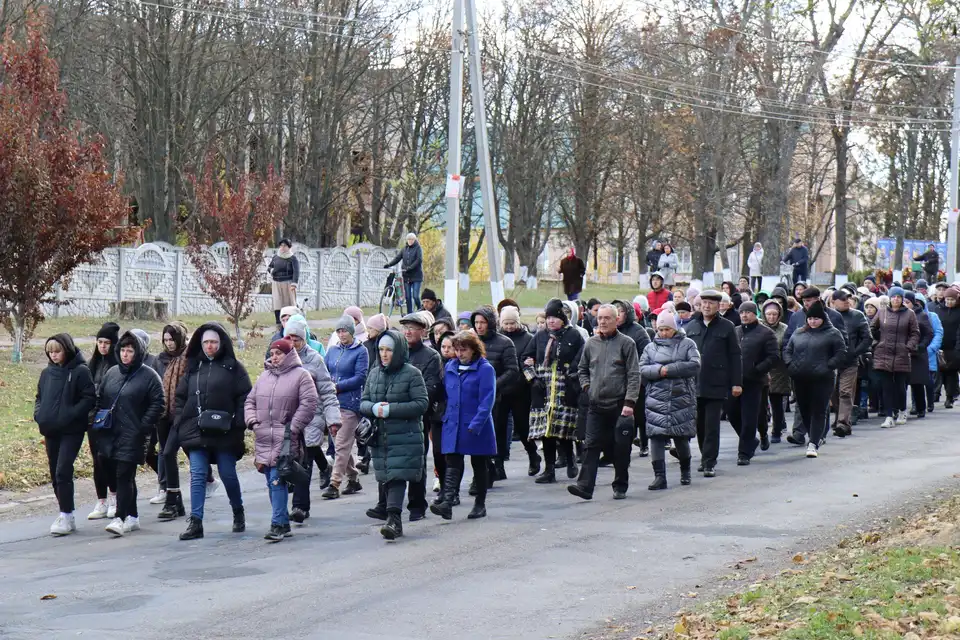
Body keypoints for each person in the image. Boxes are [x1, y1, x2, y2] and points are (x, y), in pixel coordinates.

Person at [174, 323, 253, 540]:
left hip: (225, 431)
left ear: (221, 343)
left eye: (214, 342)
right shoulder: (193, 368)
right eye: (206, 342)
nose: (210, 346)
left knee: (228, 474)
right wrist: (181, 421)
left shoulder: (234, 368)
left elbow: (245, 397)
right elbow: (180, 397)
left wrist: (238, 422)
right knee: (198, 474)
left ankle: (238, 512)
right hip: (196, 431)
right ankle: (196, 522)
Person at [245, 338, 318, 542]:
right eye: (272, 353)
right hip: (263, 437)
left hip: (285, 439)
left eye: (278, 353)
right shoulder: (264, 376)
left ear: (288, 354)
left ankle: (277, 524)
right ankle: (283, 521)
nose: (274, 357)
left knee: (277, 479)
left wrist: (293, 427)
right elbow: (250, 400)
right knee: (271, 481)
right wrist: (252, 422)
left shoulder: (301, 376)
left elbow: (309, 403)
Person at [360, 330, 429, 540]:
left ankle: (393, 519)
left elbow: (421, 404)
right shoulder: (374, 373)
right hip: (381, 436)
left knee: (397, 477)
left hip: (405, 435)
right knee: (387, 477)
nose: (384, 354)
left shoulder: (412, 374)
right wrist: (373, 408)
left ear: (398, 351)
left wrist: (391, 409)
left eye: (388, 350)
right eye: (381, 349)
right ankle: (391, 516)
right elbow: (363, 402)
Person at [568, 304, 641, 501]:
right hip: (595, 405)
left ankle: (620, 485)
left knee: (620, 448)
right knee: (591, 445)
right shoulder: (591, 344)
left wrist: (630, 402)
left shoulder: (627, 344)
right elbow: (582, 369)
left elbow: (634, 375)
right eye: (600, 318)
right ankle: (584, 486)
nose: (602, 321)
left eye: (607, 318)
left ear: (617, 320)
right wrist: (586, 387)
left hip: (619, 405)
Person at [96, 331, 165, 536]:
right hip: (110, 432)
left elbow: (158, 403)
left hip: (134, 434)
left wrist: (143, 426)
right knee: (111, 472)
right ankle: (132, 516)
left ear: (138, 352)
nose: (126, 355)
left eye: (130, 351)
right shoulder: (112, 373)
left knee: (124, 474)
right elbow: (102, 397)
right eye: (123, 350)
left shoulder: (149, 375)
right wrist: (96, 419)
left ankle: (120, 517)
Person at [431, 330, 496, 520]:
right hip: (453, 423)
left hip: (475, 424)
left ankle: (480, 504)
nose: (459, 354)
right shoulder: (451, 367)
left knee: (479, 464)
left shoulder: (485, 369)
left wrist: (477, 423)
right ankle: (448, 501)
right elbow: (445, 395)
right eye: (457, 349)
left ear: (474, 349)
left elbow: (487, 400)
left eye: (463, 350)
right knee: (452, 461)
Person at [35, 334, 96, 536]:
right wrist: (39, 415)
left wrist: (71, 414)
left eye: (57, 351)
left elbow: (89, 398)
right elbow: (39, 397)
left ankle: (66, 514)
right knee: (54, 472)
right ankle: (65, 512)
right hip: (51, 429)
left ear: (67, 350)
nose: (53, 355)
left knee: (63, 469)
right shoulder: (46, 373)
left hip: (72, 430)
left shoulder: (80, 371)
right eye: (50, 352)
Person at [285, 317, 341, 523]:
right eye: (289, 338)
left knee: (304, 462)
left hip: (311, 416)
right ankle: (324, 466)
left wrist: (333, 419)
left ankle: (300, 506)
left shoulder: (315, 359)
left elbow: (327, 390)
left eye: (296, 338)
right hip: (288, 418)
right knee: (290, 461)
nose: (292, 343)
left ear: (304, 338)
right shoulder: (280, 356)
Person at [683, 290, 742, 477]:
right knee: (699, 425)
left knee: (712, 424)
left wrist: (736, 383)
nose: (707, 306)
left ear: (718, 305)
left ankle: (709, 461)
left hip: (716, 382)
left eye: (711, 303)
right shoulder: (691, 326)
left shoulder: (727, 327)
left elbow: (735, 356)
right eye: (704, 302)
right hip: (694, 383)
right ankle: (704, 456)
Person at [639, 312, 700, 489]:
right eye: (660, 329)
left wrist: (670, 370)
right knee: (656, 437)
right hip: (656, 398)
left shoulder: (688, 344)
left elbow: (695, 365)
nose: (663, 333)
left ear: (674, 328)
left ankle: (685, 471)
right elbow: (642, 368)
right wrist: (659, 371)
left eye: (667, 329)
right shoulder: (650, 347)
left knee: (680, 436)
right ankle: (659, 476)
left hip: (680, 398)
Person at [528, 299, 585, 483]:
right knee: (546, 432)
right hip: (543, 389)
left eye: (555, 318)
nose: (551, 321)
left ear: (563, 318)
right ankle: (549, 469)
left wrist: (572, 375)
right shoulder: (539, 336)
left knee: (564, 431)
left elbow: (582, 358)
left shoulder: (574, 336)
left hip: (564, 387)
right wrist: (532, 378)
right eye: (548, 318)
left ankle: (570, 460)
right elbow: (526, 357)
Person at [393, 312, 442, 522]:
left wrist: (405, 404)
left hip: (419, 419)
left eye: (413, 327)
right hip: (394, 419)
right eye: (405, 327)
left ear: (423, 331)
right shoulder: (395, 354)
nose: (408, 331)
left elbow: (431, 390)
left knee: (416, 463)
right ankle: (388, 504)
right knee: (393, 461)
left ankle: (417, 505)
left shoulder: (431, 356)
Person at [783, 301, 846, 457]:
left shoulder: (833, 333)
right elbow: (787, 350)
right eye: (810, 319)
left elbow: (841, 352)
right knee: (804, 410)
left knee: (818, 410)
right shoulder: (799, 333)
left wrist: (828, 365)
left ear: (823, 319)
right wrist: (790, 365)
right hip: (800, 377)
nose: (812, 321)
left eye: (816, 319)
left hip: (822, 379)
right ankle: (814, 436)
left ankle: (813, 443)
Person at [323, 315, 369, 499]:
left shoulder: (361, 351)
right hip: (331, 403)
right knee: (339, 444)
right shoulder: (332, 351)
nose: (342, 334)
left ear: (352, 331)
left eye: (345, 331)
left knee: (341, 444)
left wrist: (339, 386)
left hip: (350, 403)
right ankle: (353, 478)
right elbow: (325, 371)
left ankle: (334, 484)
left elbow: (360, 377)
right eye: (339, 331)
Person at [471, 307, 519, 484]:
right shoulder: (472, 342)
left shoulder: (504, 343)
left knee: (494, 434)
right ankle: (485, 472)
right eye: (476, 323)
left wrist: (492, 384)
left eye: (482, 322)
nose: (479, 326)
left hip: (497, 397)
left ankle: (493, 468)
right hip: (474, 396)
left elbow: (512, 371)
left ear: (490, 323)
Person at [727, 302, 778, 464]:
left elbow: (773, 356)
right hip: (734, 380)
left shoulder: (766, 333)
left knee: (750, 417)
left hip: (755, 381)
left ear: (755, 314)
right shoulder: (735, 332)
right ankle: (750, 441)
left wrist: (758, 369)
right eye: (742, 312)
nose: (744, 315)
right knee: (732, 413)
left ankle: (744, 453)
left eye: (748, 312)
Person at [499, 306, 541, 476]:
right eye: (506, 323)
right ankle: (499, 465)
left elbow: (530, 361)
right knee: (499, 428)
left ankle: (532, 454)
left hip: (520, 389)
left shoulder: (528, 338)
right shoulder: (498, 338)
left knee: (523, 427)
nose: (509, 327)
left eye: (512, 323)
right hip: (501, 389)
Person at [85, 321, 121, 520]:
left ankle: (115, 496)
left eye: (107, 342)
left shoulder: (118, 365)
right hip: (93, 419)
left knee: (108, 458)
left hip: (111, 418)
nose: (103, 346)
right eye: (100, 342)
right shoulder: (93, 364)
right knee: (96, 460)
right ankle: (101, 500)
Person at [870, 286, 920, 428]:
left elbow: (915, 333)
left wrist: (908, 346)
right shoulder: (882, 312)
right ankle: (889, 416)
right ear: (890, 298)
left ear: (902, 299)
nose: (896, 299)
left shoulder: (909, 314)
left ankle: (902, 411)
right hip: (884, 353)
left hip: (901, 354)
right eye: (893, 297)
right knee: (886, 387)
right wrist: (876, 343)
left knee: (900, 385)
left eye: (898, 297)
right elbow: (871, 328)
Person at [156, 322, 189, 519]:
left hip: (181, 415)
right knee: (166, 454)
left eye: (172, 339)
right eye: (166, 340)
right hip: (164, 415)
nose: (169, 344)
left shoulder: (187, 358)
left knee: (169, 452)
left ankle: (173, 500)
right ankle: (175, 501)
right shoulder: (165, 360)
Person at [612, 299, 651, 458]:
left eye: (620, 311)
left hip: (637, 379)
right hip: (617, 380)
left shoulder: (638, 331)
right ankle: (622, 445)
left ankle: (644, 443)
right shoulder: (612, 331)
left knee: (640, 414)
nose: (617, 315)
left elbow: (647, 353)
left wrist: (637, 371)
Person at [831, 290, 871, 437]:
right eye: (842, 300)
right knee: (833, 393)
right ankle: (838, 418)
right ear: (833, 301)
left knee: (845, 392)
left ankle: (843, 423)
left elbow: (867, 338)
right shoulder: (829, 316)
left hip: (850, 362)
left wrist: (855, 352)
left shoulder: (857, 316)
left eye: (848, 299)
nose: (846, 301)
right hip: (832, 362)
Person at [760, 300, 790, 443]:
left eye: (774, 314)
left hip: (779, 369)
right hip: (761, 367)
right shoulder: (759, 327)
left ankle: (777, 430)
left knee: (776, 401)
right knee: (760, 402)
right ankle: (762, 429)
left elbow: (787, 347)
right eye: (768, 314)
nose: (771, 317)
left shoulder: (784, 329)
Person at [903, 292, 933, 419]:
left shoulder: (922, 315)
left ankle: (920, 407)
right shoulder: (897, 314)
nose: (904, 304)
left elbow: (929, 334)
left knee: (917, 383)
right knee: (900, 383)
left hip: (917, 354)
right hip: (902, 352)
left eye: (907, 302)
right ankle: (900, 408)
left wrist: (920, 346)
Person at [385, 233, 424, 314]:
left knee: (415, 296)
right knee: (408, 297)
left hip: (416, 276)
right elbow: (397, 258)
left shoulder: (418, 248)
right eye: (409, 239)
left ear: (415, 240)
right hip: (406, 276)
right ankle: (410, 314)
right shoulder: (404, 249)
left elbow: (419, 260)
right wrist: (389, 264)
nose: (410, 241)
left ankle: (421, 311)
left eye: (412, 239)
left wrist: (410, 267)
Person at [935, 286, 960, 408]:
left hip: (954, 347)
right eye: (947, 299)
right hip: (941, 347)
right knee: (941, 372)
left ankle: (950, 397)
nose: (949, 302)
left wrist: (958, 348)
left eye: (952, 299)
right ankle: (940, 393)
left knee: (951, 372)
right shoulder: (939, 310)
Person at [268, 239, 299, 328]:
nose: (283, 248)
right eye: (281, 246)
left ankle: (292, 320)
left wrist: (294, 283)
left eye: (285, 246)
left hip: (288, 283)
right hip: (276, 282)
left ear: (289, 247)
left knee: (289, 302)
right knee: (277, 302)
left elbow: (296, 271)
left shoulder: (292, 258)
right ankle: (278, 321)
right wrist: (272, 270)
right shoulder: (276, 257)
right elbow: (270, 267)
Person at [921, 294, 943, 412]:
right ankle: (917, 404)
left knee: (929, 380)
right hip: (917, 352)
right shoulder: (910, 315)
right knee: (916, 381)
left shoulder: (932, 316)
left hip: (929, 352)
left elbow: (938, 333)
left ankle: (930, 401)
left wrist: (932, 348)